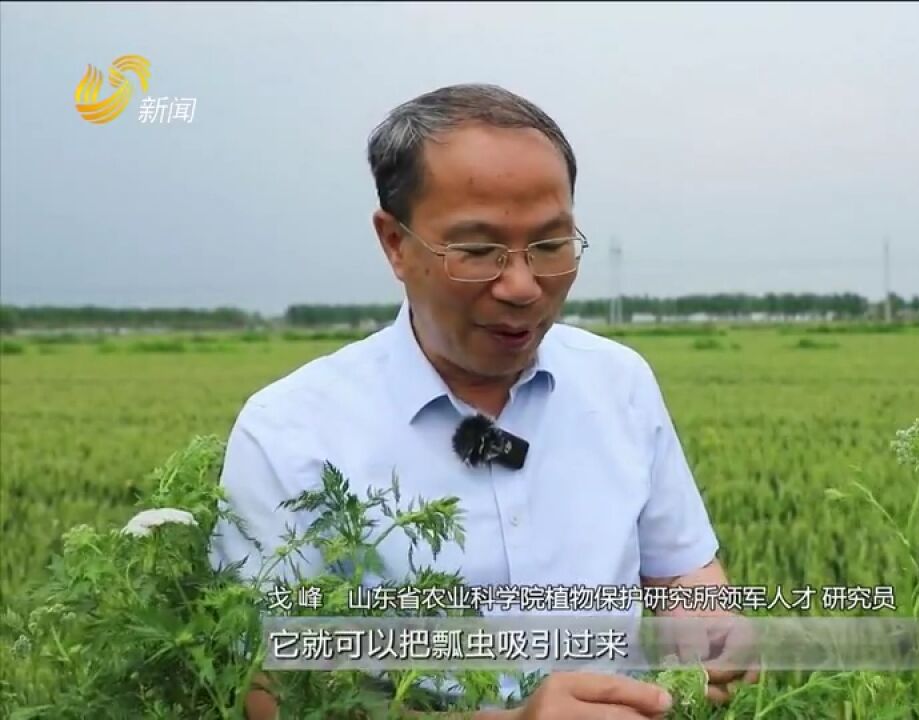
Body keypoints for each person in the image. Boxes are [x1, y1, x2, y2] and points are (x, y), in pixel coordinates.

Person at [210, 83, 755, 719]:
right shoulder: (289, 432)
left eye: (550, 245)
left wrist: (712, 631)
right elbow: (266, 691)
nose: (523, 286)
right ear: (395, 243)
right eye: (476, 252)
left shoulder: (619, 382)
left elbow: (682, 572)